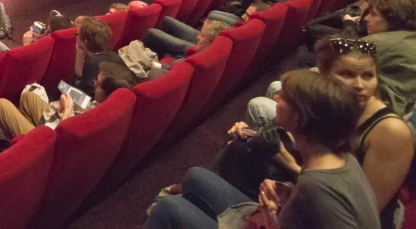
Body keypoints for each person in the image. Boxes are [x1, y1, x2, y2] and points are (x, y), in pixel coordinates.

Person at [146, 69, 380, 229]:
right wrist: (285, 195)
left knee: (168, 208)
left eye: (284, 97)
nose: (276, 97)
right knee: (195, 175)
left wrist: (277, 214)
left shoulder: (316, 187)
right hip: (267, 218)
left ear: (300, 118)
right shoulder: (339, 156)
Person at [233, 38, 413, 228]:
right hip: (311, 194)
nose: (360, 85)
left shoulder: (391, 131)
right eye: (347, 74)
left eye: (368, 76)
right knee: (242, 147)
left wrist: (294, 176)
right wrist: (287, 189)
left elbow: (360, 209)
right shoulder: (330, 106)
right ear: (322, 76)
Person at [0, 61, 136, 139]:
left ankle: (13, 149)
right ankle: (22, 142)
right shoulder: (116, 107)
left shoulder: (100, 120)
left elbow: (67, 139)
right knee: (29, 97)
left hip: (50, 142)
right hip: (57, 125)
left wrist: (67, 111)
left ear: (107, 93)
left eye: (97, 83)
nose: (93, 84)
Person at [140, 18, 230, 60]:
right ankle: (158, 53)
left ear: (212, 43)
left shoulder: (195, 59)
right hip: (200, 47)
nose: (197, 37)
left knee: (151, 33)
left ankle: (148, 60)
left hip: (192, 52)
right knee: (167, 21)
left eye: (202, 36)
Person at [75, 17, 125, 90]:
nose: (76, 36)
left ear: (86, 41)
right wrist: (80, 52)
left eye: (77, 34)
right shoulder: (113, 55)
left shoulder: (92, 63)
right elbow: (80, 75)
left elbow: (86, 94)